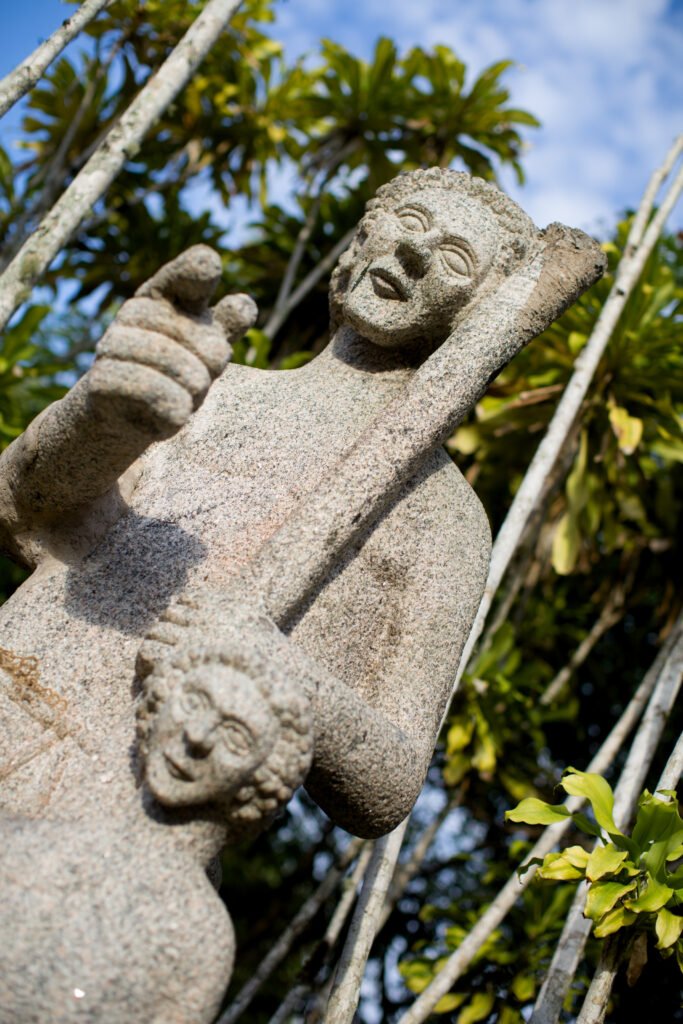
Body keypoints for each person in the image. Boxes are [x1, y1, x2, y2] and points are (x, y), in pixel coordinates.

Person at [0, 169, 563, 836]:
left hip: (139, 814)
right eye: (409, 224)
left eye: (453, 259)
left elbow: (389, 783)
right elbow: (23, 515)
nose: (414, 252)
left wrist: (280, 669)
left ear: (475, 318)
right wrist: (96, 422)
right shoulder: (216, 389)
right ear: (359, 241)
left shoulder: (442, 519)